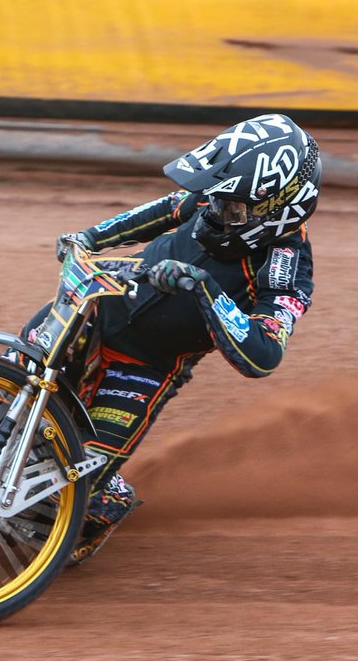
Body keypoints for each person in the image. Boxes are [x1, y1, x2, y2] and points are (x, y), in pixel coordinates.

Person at [42, 112, 321, 565]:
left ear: (278, 210)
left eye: (230, 207)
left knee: (73, 485)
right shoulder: (216, 198)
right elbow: (162, 211)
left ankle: (103, 504)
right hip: (97, 309)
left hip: (146, 367)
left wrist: (204, 288)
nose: (212, 210)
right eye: (214, 197)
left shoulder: (287, 267)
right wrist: (88, 238)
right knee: (17, 366)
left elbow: (265, 354)